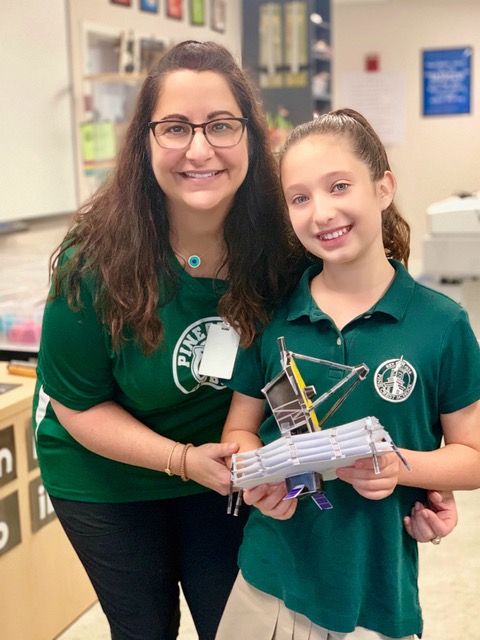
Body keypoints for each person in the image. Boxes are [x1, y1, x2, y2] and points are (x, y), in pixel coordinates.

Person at [32, 41, 457, 639]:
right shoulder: (94, 261)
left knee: (227, 621)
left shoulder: (285, 244)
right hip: (107, 473)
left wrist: (418, 477)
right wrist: (180, 460)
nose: (199, 148)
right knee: (142, 627)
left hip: (230, 467)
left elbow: (354, 350)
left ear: (252, 139)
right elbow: (77, 405)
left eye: (222, 126)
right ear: (145, 141)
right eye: (175, 127)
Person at [216, 109, 480, 640]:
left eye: (339, 186)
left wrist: (400, 468)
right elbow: (240, 430)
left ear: (384, 187)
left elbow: (472, 458)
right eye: (300, 198)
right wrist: (256, 477)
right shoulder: (273, 317)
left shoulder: (442, 324)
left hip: (375, 598)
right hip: (266, 584)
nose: (322, 212)